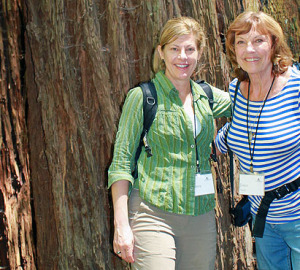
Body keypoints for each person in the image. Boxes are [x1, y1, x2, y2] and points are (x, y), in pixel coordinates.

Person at [108, 16, 231, 269]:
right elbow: (120, 164)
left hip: (201, 214)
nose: (182, 57)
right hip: (153, 212)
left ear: (199, 53)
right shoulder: (143, 97)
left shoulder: (206, 96)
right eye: (174, 48)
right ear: (161, 52)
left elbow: (252, 105)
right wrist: (121, 226)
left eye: (189, 49)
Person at [215, 11, 300, 270]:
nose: (248, 49)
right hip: (262, 217)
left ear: (274, 44)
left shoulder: (296, 86)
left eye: (258, 41)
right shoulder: (235, 91)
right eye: (240, 42)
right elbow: (232, 135)